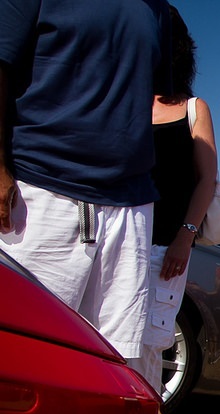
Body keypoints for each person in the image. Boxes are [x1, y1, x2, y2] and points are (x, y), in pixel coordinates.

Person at [0, 0, 172, 379]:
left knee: (115, 361)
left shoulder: (157, 9)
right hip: (41, 187)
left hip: (130, 203)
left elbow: (151, 97)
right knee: (23, 349)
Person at [140, 4, 219, 394]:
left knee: (150, 345)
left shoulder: (193, 109)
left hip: (164, 249)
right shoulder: (128, 100)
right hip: (118, 238)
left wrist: (184, 238)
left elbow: (207, 179)